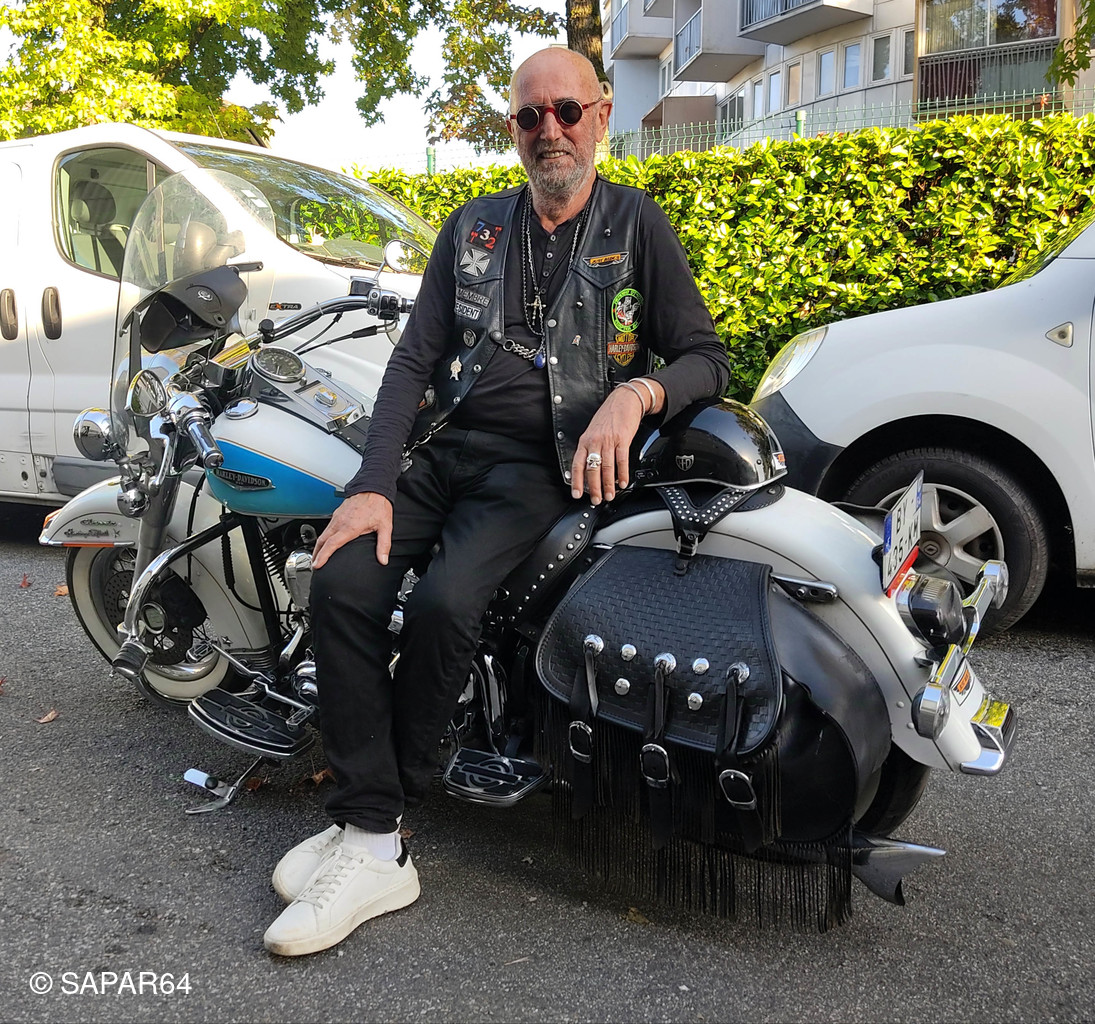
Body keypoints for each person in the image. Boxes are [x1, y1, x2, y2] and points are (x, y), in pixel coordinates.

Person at [262, 46, 731, 957]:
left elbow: (704, 357)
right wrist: (370, 486)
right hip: (441, 450)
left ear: (599, 117)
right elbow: (412, 360)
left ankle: (372, 833)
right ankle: (369, 825)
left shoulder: (637, 224)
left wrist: (636, 397)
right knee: (341, 581)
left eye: (566, 111)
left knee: (446, 604)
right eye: (529, 115)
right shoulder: (472, 225)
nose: (549, 130)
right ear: (512, 127)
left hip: (537, 467)